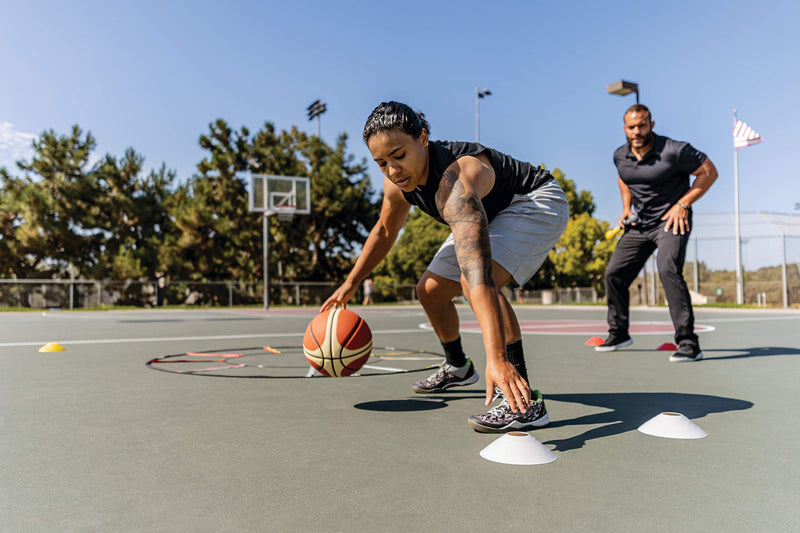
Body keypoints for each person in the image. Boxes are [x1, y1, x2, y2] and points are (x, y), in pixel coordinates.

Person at [321, 101, 568, 432]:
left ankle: (524, 403)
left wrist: (496, 358)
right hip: (485, 215)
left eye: (398, 155)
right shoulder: (397, 185)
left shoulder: (457, 181)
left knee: (474, 281)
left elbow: (478, 276)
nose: (392, 170)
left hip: (533, 202)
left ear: (422, 138)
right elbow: (384, 230)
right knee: (430, 291)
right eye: (381, 163)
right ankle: (459, 367)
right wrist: (352, 281)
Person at [597, 104, 718, 362]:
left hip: (672, 221)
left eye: (642, 125)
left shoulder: (675, 150)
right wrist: (626, 208)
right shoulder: (620, 156)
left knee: (667, 270)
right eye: (632, 127)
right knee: (614, 274)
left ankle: (688, 344)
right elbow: (624, 178)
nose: (637, 131)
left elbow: (709, 172)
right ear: (625, 129)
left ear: (651, 124)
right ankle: (619, 333)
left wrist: (682, 204)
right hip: (640, 224)